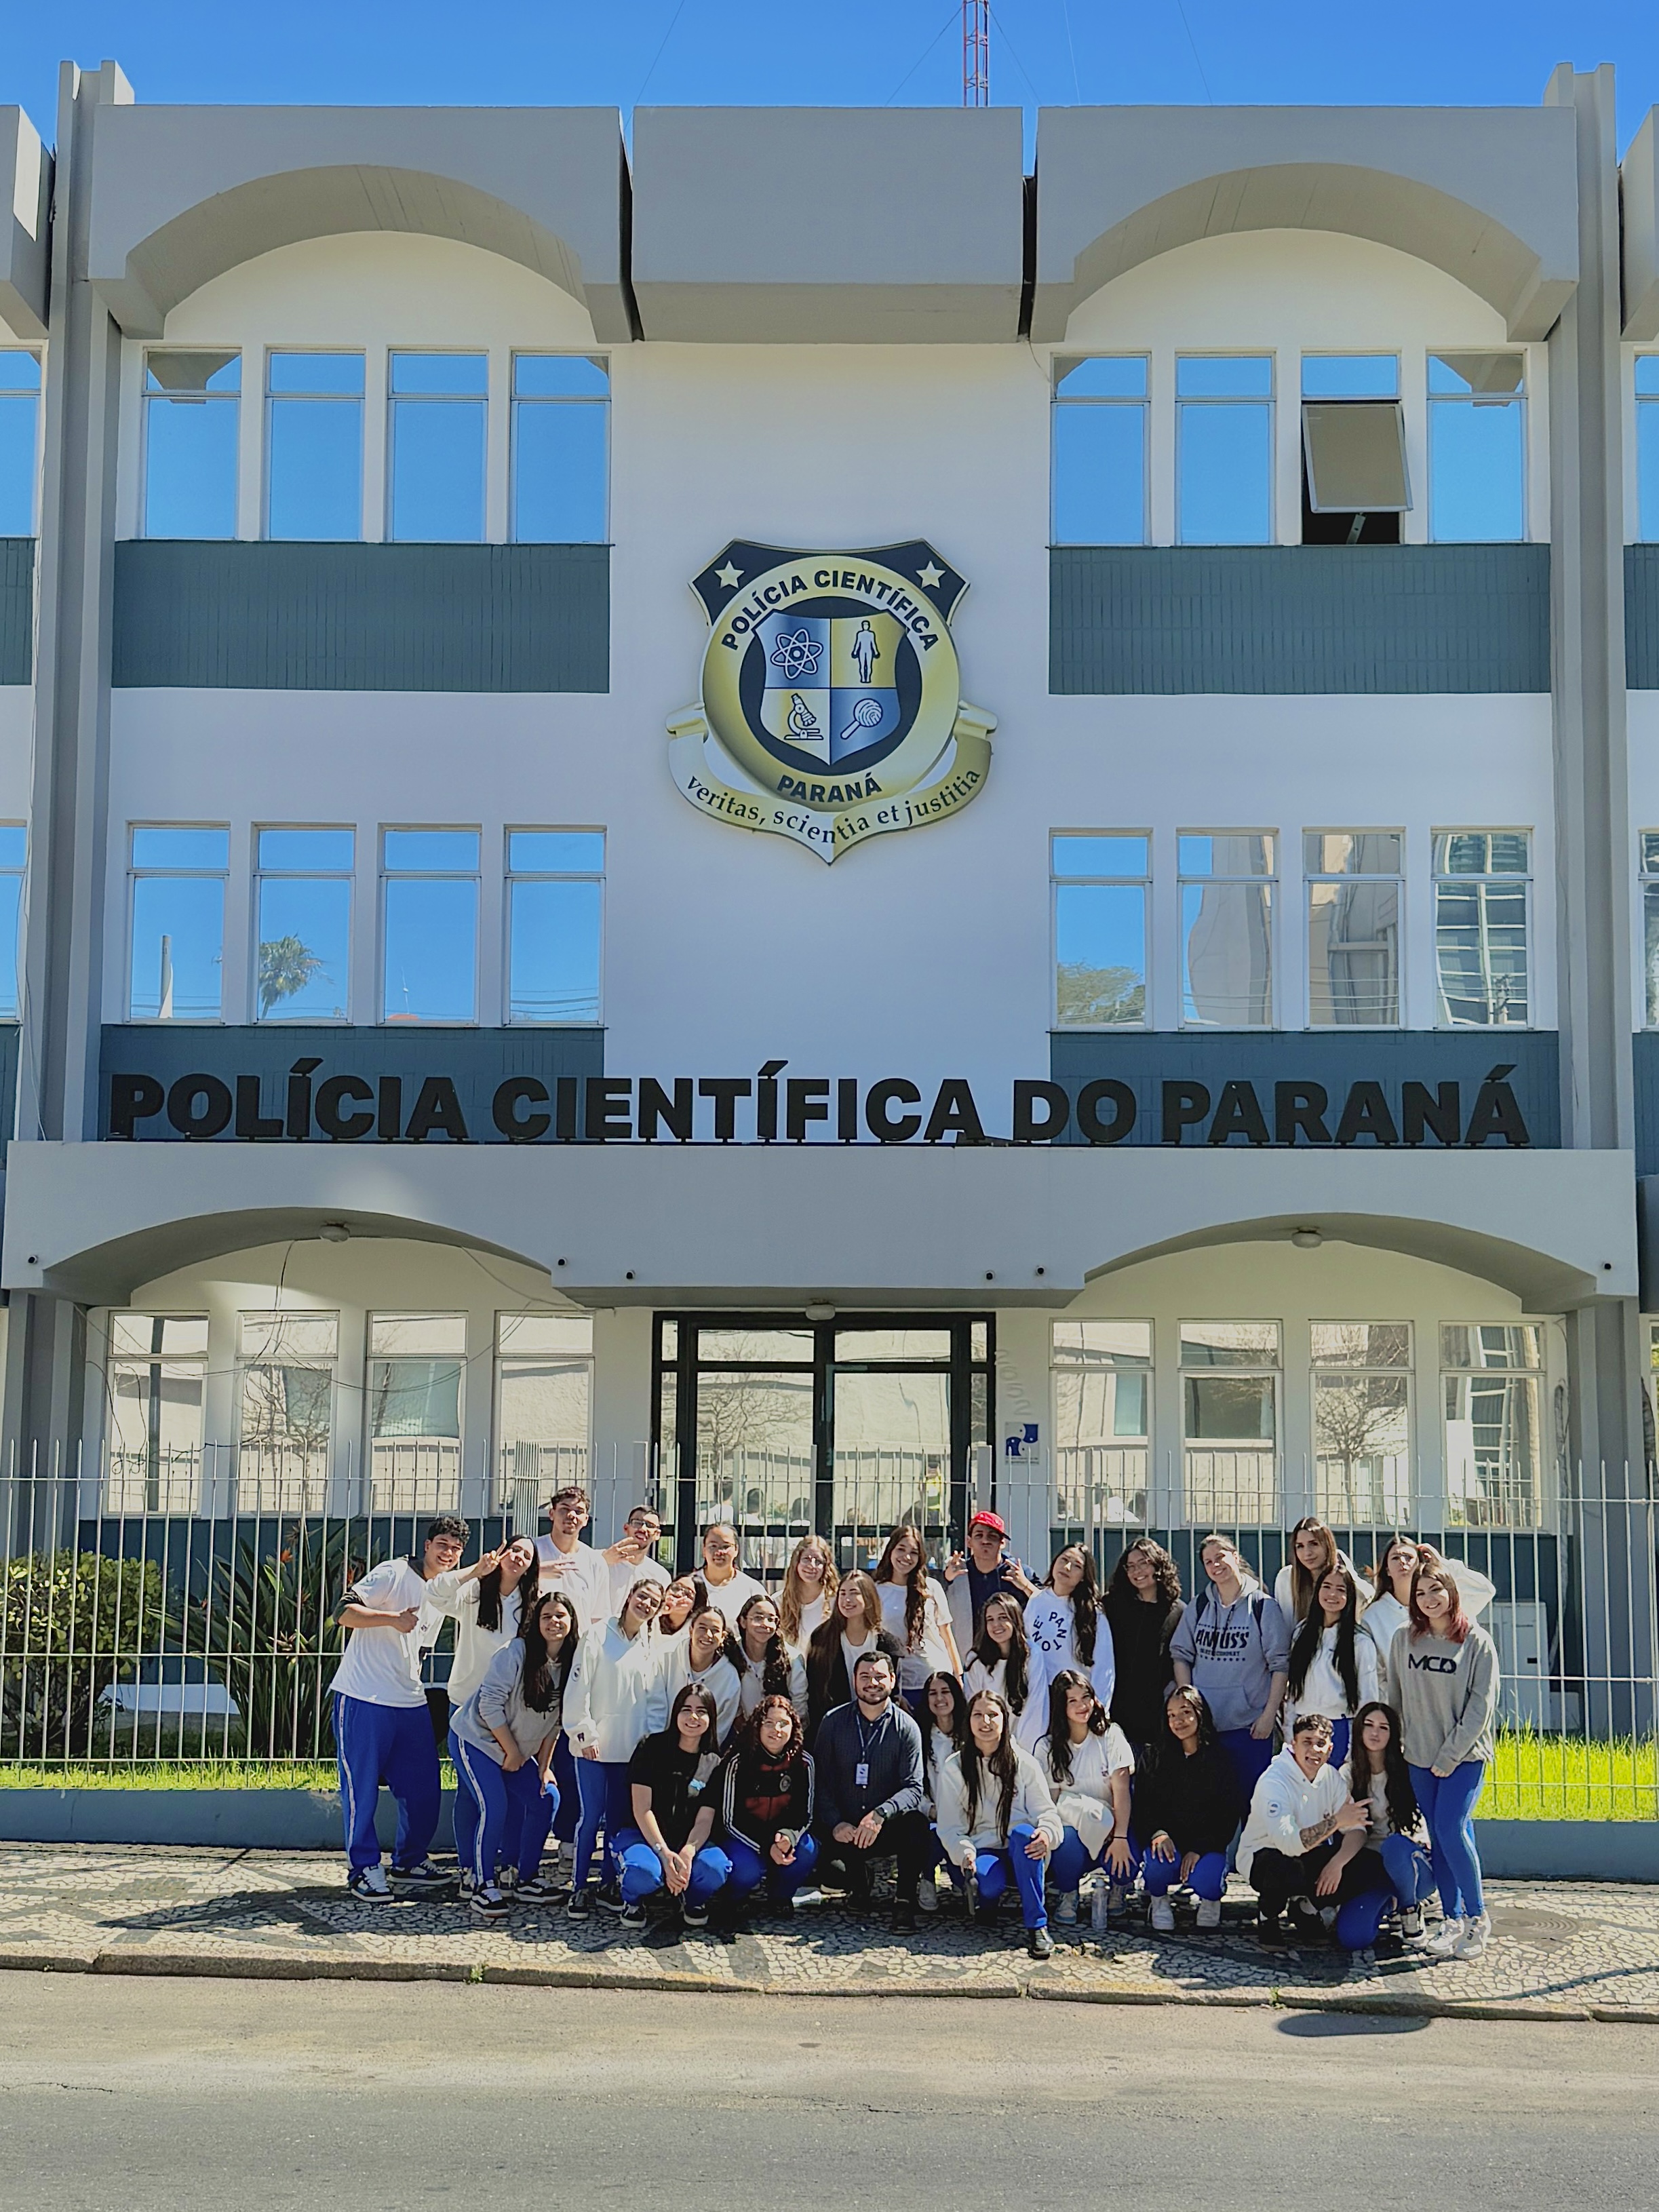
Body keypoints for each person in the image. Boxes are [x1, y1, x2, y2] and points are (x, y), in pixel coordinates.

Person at [329, 1513, 464, 1900]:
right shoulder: (393, 1572)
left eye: (455, 1550)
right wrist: (392, 1619)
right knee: (361, 1789)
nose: (448, 1554)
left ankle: (409, 1860)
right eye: (442, 1546)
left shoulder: (442, 1590)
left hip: (410, 1700)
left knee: (424, 1788)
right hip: (363, 1697)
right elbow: (343, 1613)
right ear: (427, 1546)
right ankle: (364, 1868)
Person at [1390, 1562, 1500, 1960]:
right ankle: (1451, 1919)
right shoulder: (1405, 1639)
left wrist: (1450, 1755)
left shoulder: (1477, 1641)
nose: (1428, 1599)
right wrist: (1398, 1748)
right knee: (1441, 1837)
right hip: (1419, 1758)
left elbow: (1480, 1707)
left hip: (1463, 1758)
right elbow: (1396, 1698)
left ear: (1451, 1591)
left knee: (1452, 1829)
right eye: (1420, 1594)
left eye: (1435, 1589)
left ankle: (1477, 1918)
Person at [448, 1590, 576, 1918]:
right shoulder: (516, 1653)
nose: (554, 1622)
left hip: (515, 1751)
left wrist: (543, 1768)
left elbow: (555, 1724)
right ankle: (482, 1884)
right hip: (477, 1741)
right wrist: (513, 1752)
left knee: (545, 1798)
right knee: (495, 1806)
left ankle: (524, 1877)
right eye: (547, 1616)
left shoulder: (573, 1665)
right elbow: (489, 1705)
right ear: (536, 1623)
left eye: (561, 1616)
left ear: (572, 1622)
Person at [562, 1576, 667, 1915]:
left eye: (654, 1601)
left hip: (631, 1753)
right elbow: (580, 1688)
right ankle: (578, 1887)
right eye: (642, 1596)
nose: (646, 1604)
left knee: (619, 1821)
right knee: (590, 1818)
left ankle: (609, 1883)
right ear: (629, 1595)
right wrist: (584, 1733)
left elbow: (655, 1701)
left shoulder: (651, 1646)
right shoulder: (597, 1635)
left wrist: (650, 1745)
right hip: (594, 1750)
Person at [935, 1688, 1064, 1960]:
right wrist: (964, 1852)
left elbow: (1047, 1813)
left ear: (1004, 1720)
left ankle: (1037, 1926)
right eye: (978, 1715)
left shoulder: (1024, 1763)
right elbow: (948, 1826)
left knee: (1024, 1835)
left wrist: (1047, 1834)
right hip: (981, 1849)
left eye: (993, 1715)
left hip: (1020, 1851)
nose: (985, 1722)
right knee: (990, 1883)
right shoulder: (954, 1767)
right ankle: (987, 1904)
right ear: (968, 1721)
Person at [813, 1647, 931, 1932]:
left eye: (879, 1676)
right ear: (854, 1681)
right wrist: (835, 1821)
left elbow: (914, 1788)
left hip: (883, 1825)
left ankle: (904, 1901)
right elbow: (819, 1782)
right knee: (832, 1872)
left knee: (917, 1825)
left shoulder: (907, 1728)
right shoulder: (833, 1722)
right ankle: (858, 1883)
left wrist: (881, 1814)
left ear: (892, 1680)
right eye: (864, 1676)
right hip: (845, 1825)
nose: (872, 1683)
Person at [1169, 1533, 1291, 1805]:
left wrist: (1269, 1715)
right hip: (1207, 1729)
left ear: (1235, 1557)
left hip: (1249, 1728)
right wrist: (1189, 1703)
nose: (1215, 1565)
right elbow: (1181, 1655)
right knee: (1211, 1806)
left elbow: (1280, 1665)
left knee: (1253, 1804)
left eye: (1220, 1557)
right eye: (1208, 1561)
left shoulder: (1263, 1607)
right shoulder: (1199, 1606)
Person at [1236, 1713, 1373, 1945]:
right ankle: (1268, 1916)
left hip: (1307, 1852)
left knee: (1369, 1865)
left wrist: (1337, 1863)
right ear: (1293, 1744)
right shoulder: (1274, 1781)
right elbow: (1288, 1843)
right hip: (1265, 1854)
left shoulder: (1331, 1777)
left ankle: (1307, 1909)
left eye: (1320, 1744)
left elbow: (1358, 1830)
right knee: (1282, 1868)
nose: (1314, 1750)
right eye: (1307, 1742)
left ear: (1330, 1749)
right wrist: (1337, 1821)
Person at [608, 1682, 732, 1928]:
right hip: (644, 1837)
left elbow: (705, 1819)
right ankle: (632, 1899)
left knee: (715, 1868)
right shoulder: (651, 1747)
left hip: (686, 1838)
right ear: (675, 1714)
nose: (693, 1717)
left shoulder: (714, 1762)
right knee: (642, 1872)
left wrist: (688, 1851)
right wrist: (663, 1852)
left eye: (702, 1711)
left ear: (712, 1718)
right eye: (686, 1709)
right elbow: (642, 1809)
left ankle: (693, 1898)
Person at [1133, 1686, 1244, 1933]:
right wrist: (1157, 1833)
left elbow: (1227, 1813)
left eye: (1185, 1712)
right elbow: (1142, 1806)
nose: (1178, 1721)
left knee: (1208, 1879)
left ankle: (1211, 1899)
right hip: (1169, 1842)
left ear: (1200, 1713)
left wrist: (1200, 1848)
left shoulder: (1220, 1759)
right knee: (1156, 1866)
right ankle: (1159, 1900)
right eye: (1171, 1715)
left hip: (1205, 1845)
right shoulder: (1154, 1756)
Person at [1033, 1667, 1135, 1932]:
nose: (1082, 1706)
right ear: (1060, 1706)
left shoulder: (1111, 1736)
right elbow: (1049, 1805)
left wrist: (1121, 1836)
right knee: (1064, 1843)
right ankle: (1068, 1892)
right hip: (1075, 1828)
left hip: (1114, 1829)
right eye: (1072, 1700)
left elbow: (1121, 1791)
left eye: (1086, 1697)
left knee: (1126, 1860)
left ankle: (1119, 1887)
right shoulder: (1047, 1747)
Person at [1335, 1701, 1437, 1950]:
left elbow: (1425, 1818)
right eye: (1368, 1725)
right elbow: (1344, 1827)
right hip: (1373, 1867)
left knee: (1394, 1846)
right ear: (1358, 1730)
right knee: (1352, 1937)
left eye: (1384, 1727)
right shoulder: (1347, 1775)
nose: (1375, 1733)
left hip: (1411, 1861)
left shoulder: (1408, 1771)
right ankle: (1391, 1904)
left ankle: (1410, 1909)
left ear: (1393, 1734)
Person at [714, 1694, 820, 1914]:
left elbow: (805, 1814)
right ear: (757, 1727)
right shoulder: (738, 1762)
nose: (776, 1730)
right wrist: (765, 1845)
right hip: (744, 1838)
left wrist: (789, 1836)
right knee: (746, 1871)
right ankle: (735, 1896)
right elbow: (729, 1820)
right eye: (769, 1723)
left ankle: (780, 1896)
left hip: (780, 1836)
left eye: (784, 1724)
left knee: (808, 1849)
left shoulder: (804, 1763)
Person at [1365, 1536, 1498, 1694]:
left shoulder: (1441, 1604)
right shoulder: (1374, 1616)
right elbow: (1376, 1674)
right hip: (1406, 1711)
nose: (1402, 1561)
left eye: (1408, 1557)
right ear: (1387, 1569)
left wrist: (1443, 1564)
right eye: (1395, 1558)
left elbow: (1485, 1591)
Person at [423, 1534, 539, 1713]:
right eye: (515, 1550)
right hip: (466, 1699)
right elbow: (434, 1592)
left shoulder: (534, 1604)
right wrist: (476, 1570)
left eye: (527, 1556)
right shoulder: (474, 1590)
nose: (519, 1557)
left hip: (509, 1703)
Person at [1283, 1561, 1378, 1768]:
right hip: (1303, 1726)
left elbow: (1368, 1698)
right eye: (1327, 1587)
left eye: (1340, 1590)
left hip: (1339, 1731)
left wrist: (1356, 1745)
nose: (1332, 1595)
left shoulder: (1360, 1641)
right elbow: (1293, 1691)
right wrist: (1289, 1732)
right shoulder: (1301, 1633)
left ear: (1349, 1597)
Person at [1102, 1538, 1186, 1754]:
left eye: (1143, 1563)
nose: (1137, 1571)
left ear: (1158, 1565)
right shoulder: (1112, 1605)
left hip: (1156, 1718)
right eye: (1131, 1566)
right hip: (1116, 1714)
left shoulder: (1177, 1611)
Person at [1024, 1544, 1116, 1730]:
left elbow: (1104, 1666)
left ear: (1084, 1576)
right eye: (1064, 1560)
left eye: (1076, 1566)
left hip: (1075, 1701)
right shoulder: (1036, 1601)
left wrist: (1099, 1710)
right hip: (1039, 1697)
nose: (1067, 1568)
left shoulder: (1093, 1613)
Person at [804, 1570, 905, 1739]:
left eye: (854, 1593)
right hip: (834, 1728)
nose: (847, 1600)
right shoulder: (822, 1638)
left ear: (868, 1597)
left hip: (877, 1728)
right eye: (842, 1594)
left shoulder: (887, 1643)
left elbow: (894, 1693)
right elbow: (814, 1692)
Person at [872, 1522, 962, 1703]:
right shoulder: (876, 1590)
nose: (906, 1557)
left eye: (913, 1552)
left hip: (935, 1679)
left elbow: (947, 1636)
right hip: (899, 1683)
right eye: (901, 1549)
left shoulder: (932, 1587)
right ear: (890, 1551)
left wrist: (958, 1676)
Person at [943, 1509, 1036, 1661]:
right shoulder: (958, 1573)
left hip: (1013, 1660)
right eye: (979, 1535)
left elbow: (1046, 1602)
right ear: (969, 1541)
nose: (985, 1541)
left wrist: (1025, 1585)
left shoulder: (1018, 1573)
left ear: (1002, 1543)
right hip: (968, 1660)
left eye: (992, 1536)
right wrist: (946, 1579)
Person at [916, 1668, 970, 1914]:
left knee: (966, 1884)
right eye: (933, 1693)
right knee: (930, 1835)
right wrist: (931, 1809)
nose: (940, 1699)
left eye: (945, 1692)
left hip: (970, 1819)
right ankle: (927, 1878)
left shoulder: (971, 1735)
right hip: (935, 1817)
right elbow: (913, 1784)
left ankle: (960, 1877)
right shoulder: (920, 1737)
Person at [659, 1602, 743, 1747]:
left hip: (700, 1756)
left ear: (723, 1636)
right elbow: (653, 1704)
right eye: (702, 1628)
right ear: (691, 1630)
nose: (708, 1635)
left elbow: (720, 1728)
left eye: (715, 1630)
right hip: (658, 1746)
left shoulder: (729, 1677)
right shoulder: (665, 1656)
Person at [962, 1591, 1040, 1746]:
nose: (996, 1625)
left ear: (1015, 1620)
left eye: (1003, 1618)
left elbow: (1036, 1707)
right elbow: (976, 1709)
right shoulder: (975, 1660)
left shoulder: (1031, 1654)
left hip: (1026, 1745)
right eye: (990, 1620)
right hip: (989, 1744)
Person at [534, 1484, 612, 1628]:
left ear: (586, 1520)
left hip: (579, 1647)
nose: (571, 1515)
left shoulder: (596, 1562)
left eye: (578, 1511)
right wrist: (536, 1572)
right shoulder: (532, 1551)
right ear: (552, 1514)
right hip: (536, 1646)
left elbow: (599, 1618)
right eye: (564, 1509)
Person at [1272, 1517, 1361, 1626]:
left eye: (1314, 1544)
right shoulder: (1286, 1578)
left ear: (1328, 1545)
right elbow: (1285, 1627)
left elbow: (1365, 1599)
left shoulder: (1340, 1571)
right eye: (1300, 1546)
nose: (1307, 1553)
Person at [733, 1592, 808, 1721]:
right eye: (758, 1618)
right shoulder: (730, 1655)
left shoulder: (792, 1659)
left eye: (771, 1619)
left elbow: (799, 1706)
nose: (765, 1624)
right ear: (743, 1622)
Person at [603, 1505, 671, 1616]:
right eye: (638, 1523)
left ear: (657, 1535)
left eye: (650, 1526)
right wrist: (602, 1562)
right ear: (626, 1528)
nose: (643, 1529)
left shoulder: (661, 1576)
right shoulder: (602, 1559)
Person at [778, 1535, 840, 1654]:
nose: (812, 1566)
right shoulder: (778, 1601)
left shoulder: (836, 1601)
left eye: (818, 1561)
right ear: (797, 1562)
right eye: (806, 1559)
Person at [697, 1523, 766, 1627]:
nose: (719, 1552)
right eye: (713, 1546)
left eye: (726, 1547)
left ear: (736, 1550)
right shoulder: (688, 1585)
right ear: (704, 1550)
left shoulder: (752, 1588)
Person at [657, 1574, 707, 1641]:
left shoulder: (693, 1634)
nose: (679, 1594)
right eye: (676, 1588)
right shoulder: (651, 1613)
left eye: (687, 1594)